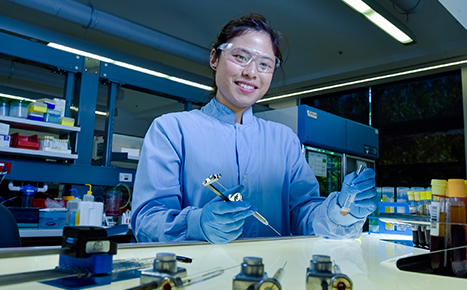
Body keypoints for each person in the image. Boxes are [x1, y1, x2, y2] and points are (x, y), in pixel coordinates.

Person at [131, 13, 377, 244]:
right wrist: (198, 224)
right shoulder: (172, 130)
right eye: (240, 57)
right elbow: (146, 222)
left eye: (264, 64)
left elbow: (304, 214)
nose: (250, 73)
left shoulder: (284, 141)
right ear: (215, 58)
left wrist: (341, 212)